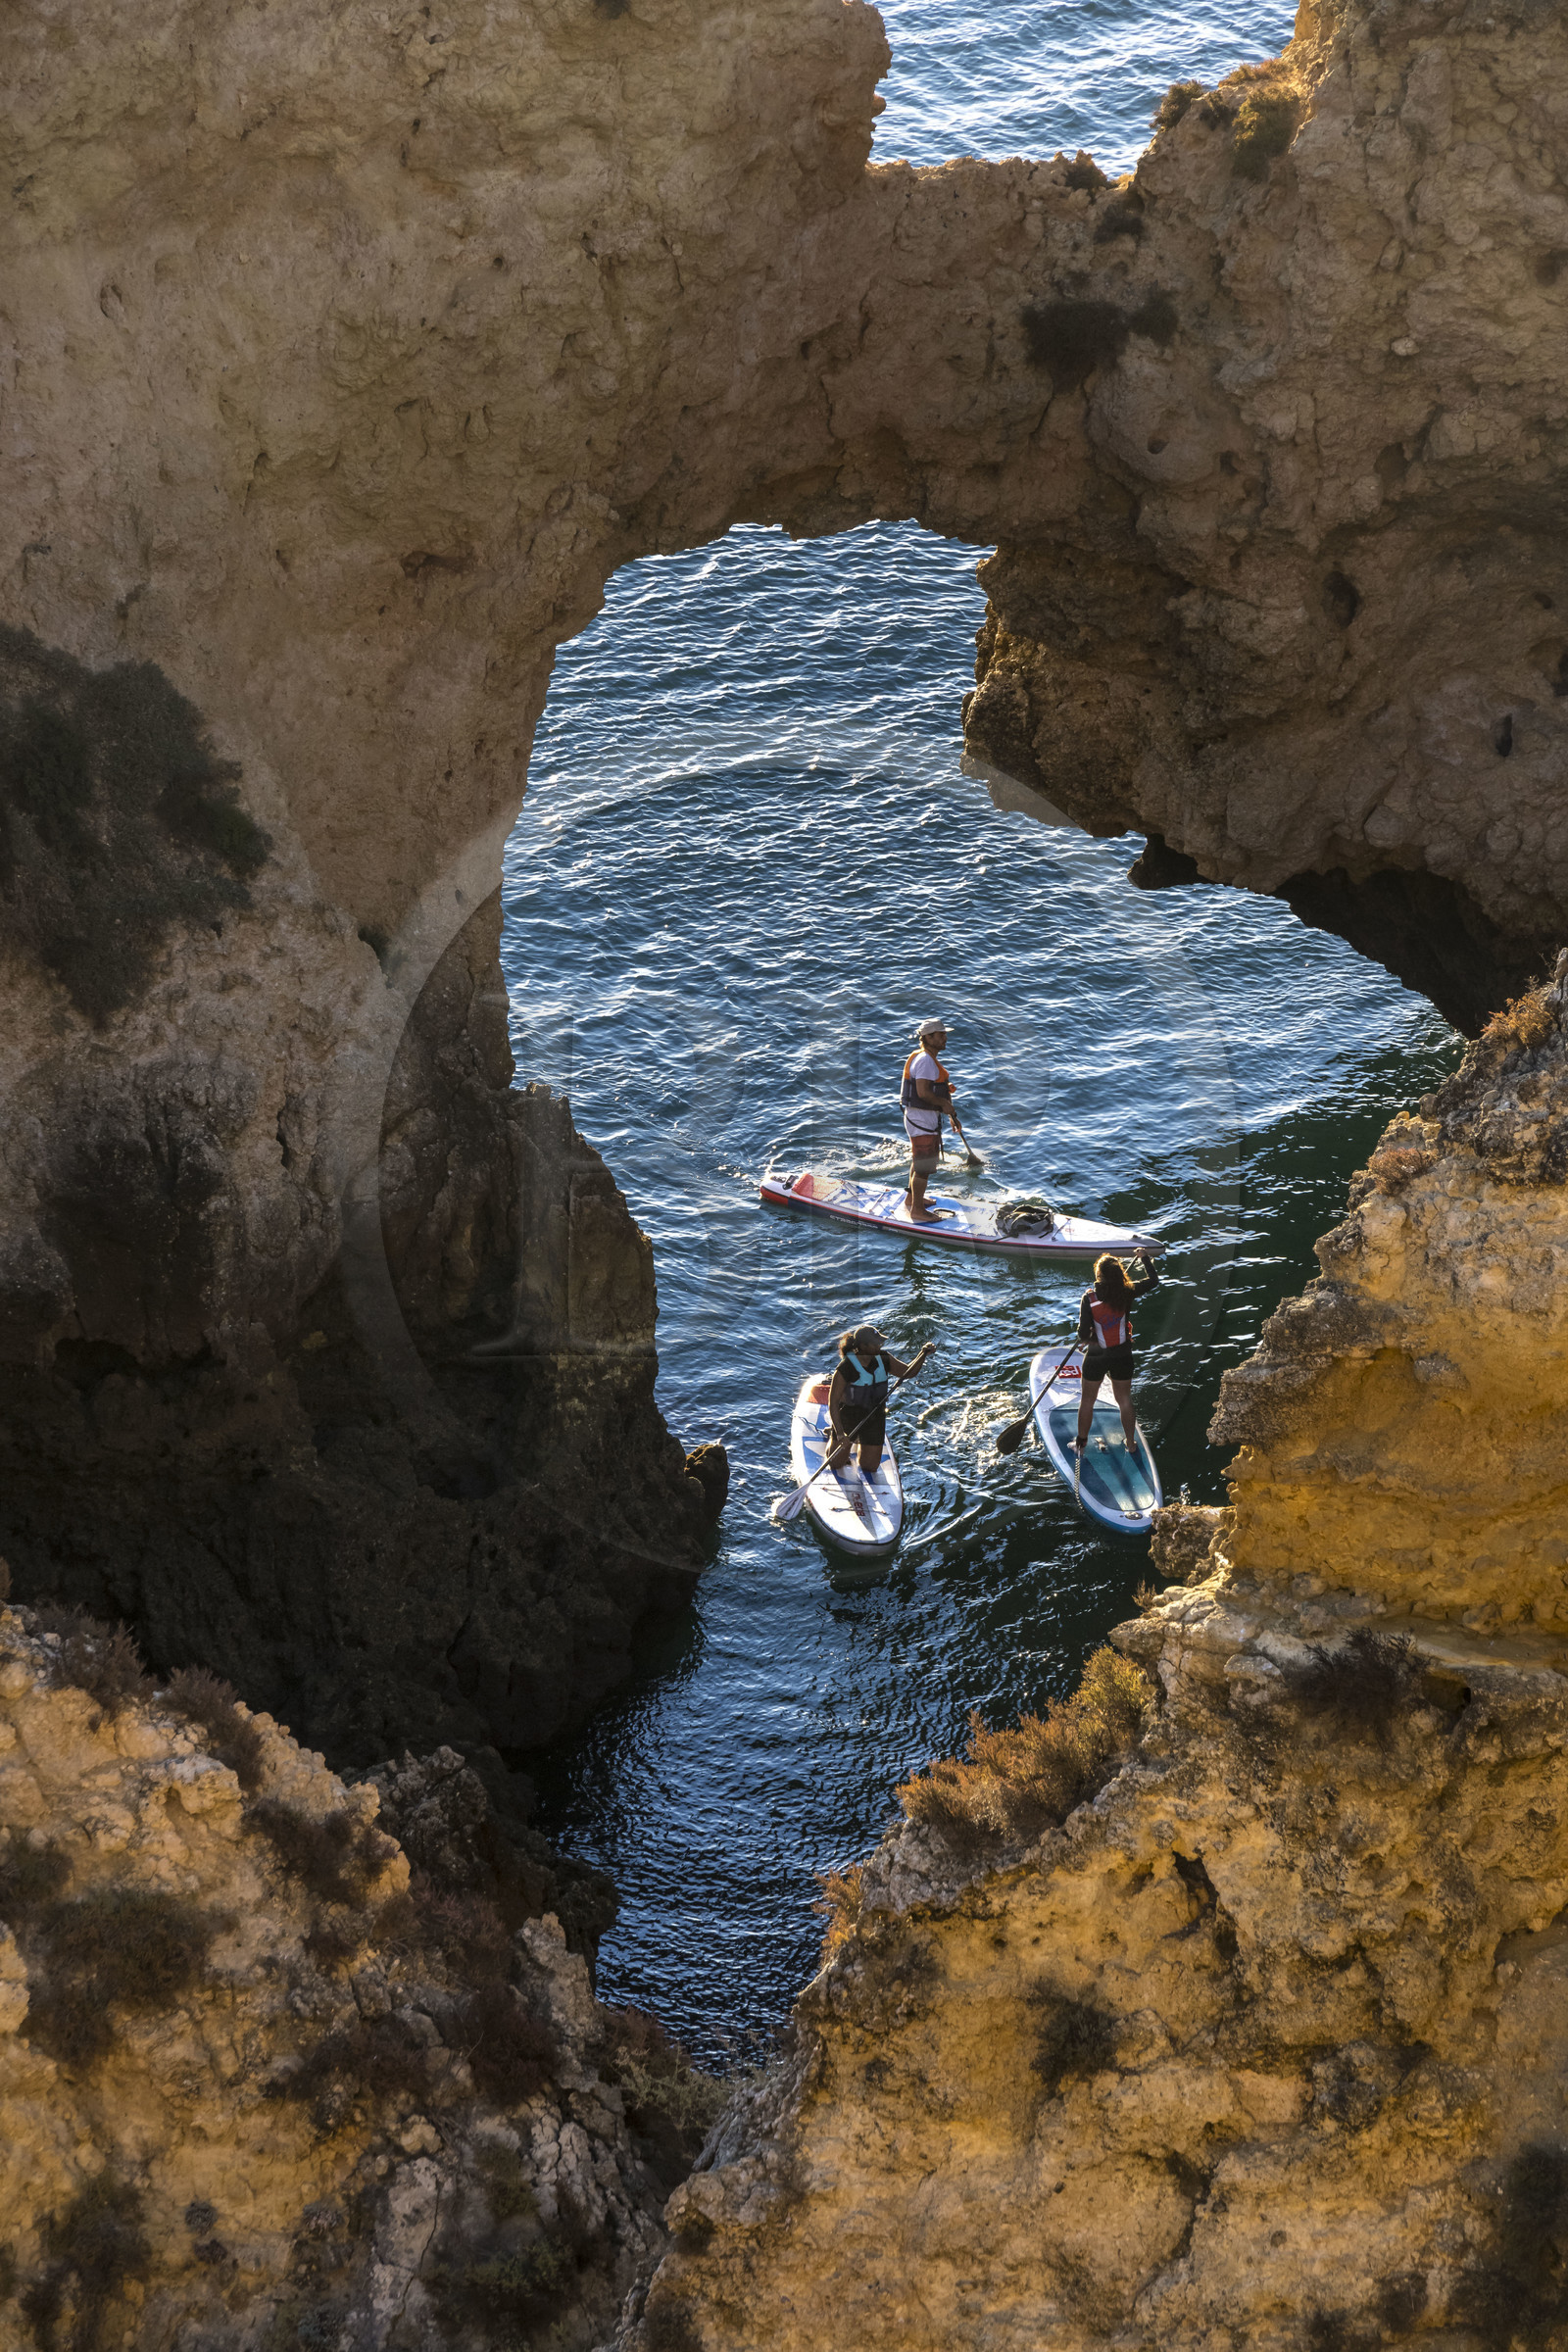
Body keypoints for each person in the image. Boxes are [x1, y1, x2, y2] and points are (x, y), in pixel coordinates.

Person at [1075, 1252, 1160, 1456]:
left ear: (1100, 1276)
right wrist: (1145, 1258)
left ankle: (1080, 1445)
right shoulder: (1127, 1291)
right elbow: (1153, 1281)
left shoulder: (1089, 1298)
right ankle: (1130, 1444)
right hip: (1122, 1355)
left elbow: (1082, 1333)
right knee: (1124, 1399)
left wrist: (1085, 1338)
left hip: (1096, 1356)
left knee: (1087, 1401)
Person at [828, 1324, 934, 1476]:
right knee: (835, 1463)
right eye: (875, 1343)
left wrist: (922, 1354)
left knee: (869, 1467)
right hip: (848, 1417)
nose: (880, 1345)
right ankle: (832, 1436)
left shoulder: (884, 1359)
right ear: (863, 1346)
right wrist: (839, 1433)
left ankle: (859, 1445)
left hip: (874, 1417)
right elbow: (832, 1402)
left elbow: (907, 1373)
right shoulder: (846, 1367)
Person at [900, 1018, 965, 1222]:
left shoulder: (925, 1057)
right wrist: (944, 1105)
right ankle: (917, 1211)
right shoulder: (926, 1060)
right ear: (928, 1038)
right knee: (923, 1167)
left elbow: (939, 1089)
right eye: (940, 1035)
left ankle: (912, 1200)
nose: (945, 1038)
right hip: (921, 1120)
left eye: (945, 1034)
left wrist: (950, 1115)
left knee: (919, 1162)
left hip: (919, 1118)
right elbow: (923, 1093)